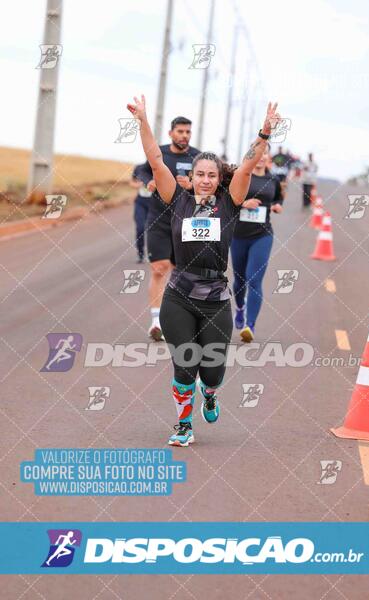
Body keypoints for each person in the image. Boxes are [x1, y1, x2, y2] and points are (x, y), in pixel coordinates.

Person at [127, 94, 280, 447]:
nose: (207, 180)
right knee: (184, 365)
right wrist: (143, 121)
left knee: (211, 371)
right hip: (179, 295)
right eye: (200, 174)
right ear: (191, 177)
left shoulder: (229, 201)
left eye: (212, 175)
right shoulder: (176, 199)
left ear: (218, 178)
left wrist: (264, 133)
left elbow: (245, 166)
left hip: (215, 299)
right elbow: (155, 158)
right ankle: (183, 425)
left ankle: (209, 393)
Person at [137, 117, 201, 341]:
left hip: (186, 220)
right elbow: (142, 171)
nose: (184, 135)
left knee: (181, 273)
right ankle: (156, 321)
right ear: (171, 133)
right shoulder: (160, 153)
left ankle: (178, 318)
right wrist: (149, 182)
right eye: (180, 131)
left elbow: (210, 183)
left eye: (188, 132)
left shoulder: (197, 157)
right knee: (159, 269)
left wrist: (192, 186)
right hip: (159, 220)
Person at [231, 149, 284, 342]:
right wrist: (243, 203)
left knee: (254, 279)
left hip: (262, 235)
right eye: (258, 153)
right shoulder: (241, 176)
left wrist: (277, 206)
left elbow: (278, 198)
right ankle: (239, 308)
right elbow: (229, 200)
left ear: (268, 157)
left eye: (265, 154)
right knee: (239, 280)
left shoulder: (273, 180)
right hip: (238, 235)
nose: (261, 157)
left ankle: (249, 325)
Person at [130, 164, 151, 263]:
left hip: (155, 203)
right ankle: (140, 253)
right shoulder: (140, 168)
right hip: (141, 202)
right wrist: (139, 184)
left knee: (154, 230)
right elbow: (132, 183)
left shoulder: (162, 167)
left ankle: (154, 254)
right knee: (140, 228)